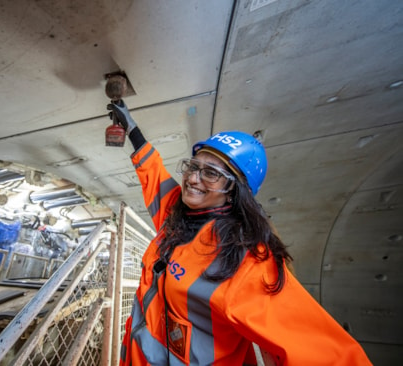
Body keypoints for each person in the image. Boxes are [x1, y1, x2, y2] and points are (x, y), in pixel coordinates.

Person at [107, 100, 372, 365]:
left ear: (235, 190)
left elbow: (326, 353)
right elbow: (154, 175)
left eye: (210, 173)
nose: (193, 178)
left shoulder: (246, 261)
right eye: (193, 166)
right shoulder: (176, 214)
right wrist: (132, 129)